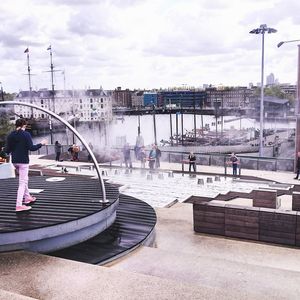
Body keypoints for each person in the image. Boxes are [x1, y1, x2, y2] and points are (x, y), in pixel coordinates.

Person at [5, 118, 47, 212]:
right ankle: (19, 205)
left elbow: (7, 150)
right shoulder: (26, 134)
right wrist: (41, 143)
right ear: (24, 125)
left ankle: (27, 197)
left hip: (15, 161)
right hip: (23, 161)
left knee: (24, 180)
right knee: (22, 183)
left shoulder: (10, 135)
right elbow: (32, 148)